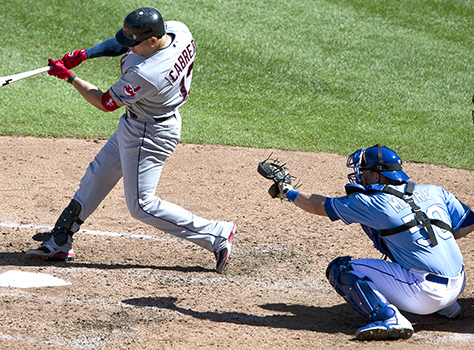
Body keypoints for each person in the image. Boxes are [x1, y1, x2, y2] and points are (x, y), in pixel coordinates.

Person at [26, 8, 236, 273]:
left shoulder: (149, 74)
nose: (129, 47)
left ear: (151, 41)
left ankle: (216, 233)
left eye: (134, 43)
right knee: (97, 174)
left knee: (141, 206)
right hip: (138, 122)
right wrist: (83, 55)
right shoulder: (177, 31)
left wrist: (69, 77)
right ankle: (60, 239)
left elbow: (104, 102)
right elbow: (122, 43)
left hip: (150, 133)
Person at [272, 144, 473, 340]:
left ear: (376, 175)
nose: (360, 176)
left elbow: (320, 206)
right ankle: (448, 307)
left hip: (424, 296)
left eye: (364, 171)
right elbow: (467, 223)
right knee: (408, 246)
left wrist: (288, 192)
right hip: (458, 285)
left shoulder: (373, 203)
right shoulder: (435, 191)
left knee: (341, 269)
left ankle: (390, 319)